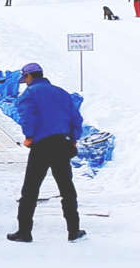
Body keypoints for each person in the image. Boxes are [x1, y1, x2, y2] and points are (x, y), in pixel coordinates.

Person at [7, 62, 86, 243]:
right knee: (67, 189)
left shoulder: (29, 94)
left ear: (29, 76)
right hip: (61, 144)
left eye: (24, 78)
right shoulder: (62, 93)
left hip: (41, 146)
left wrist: (29, 136)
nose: (24, 82)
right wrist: (74, 138)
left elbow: (27, 117)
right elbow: (76, 118)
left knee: (31, 190)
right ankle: (74, 230)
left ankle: (24, 232)